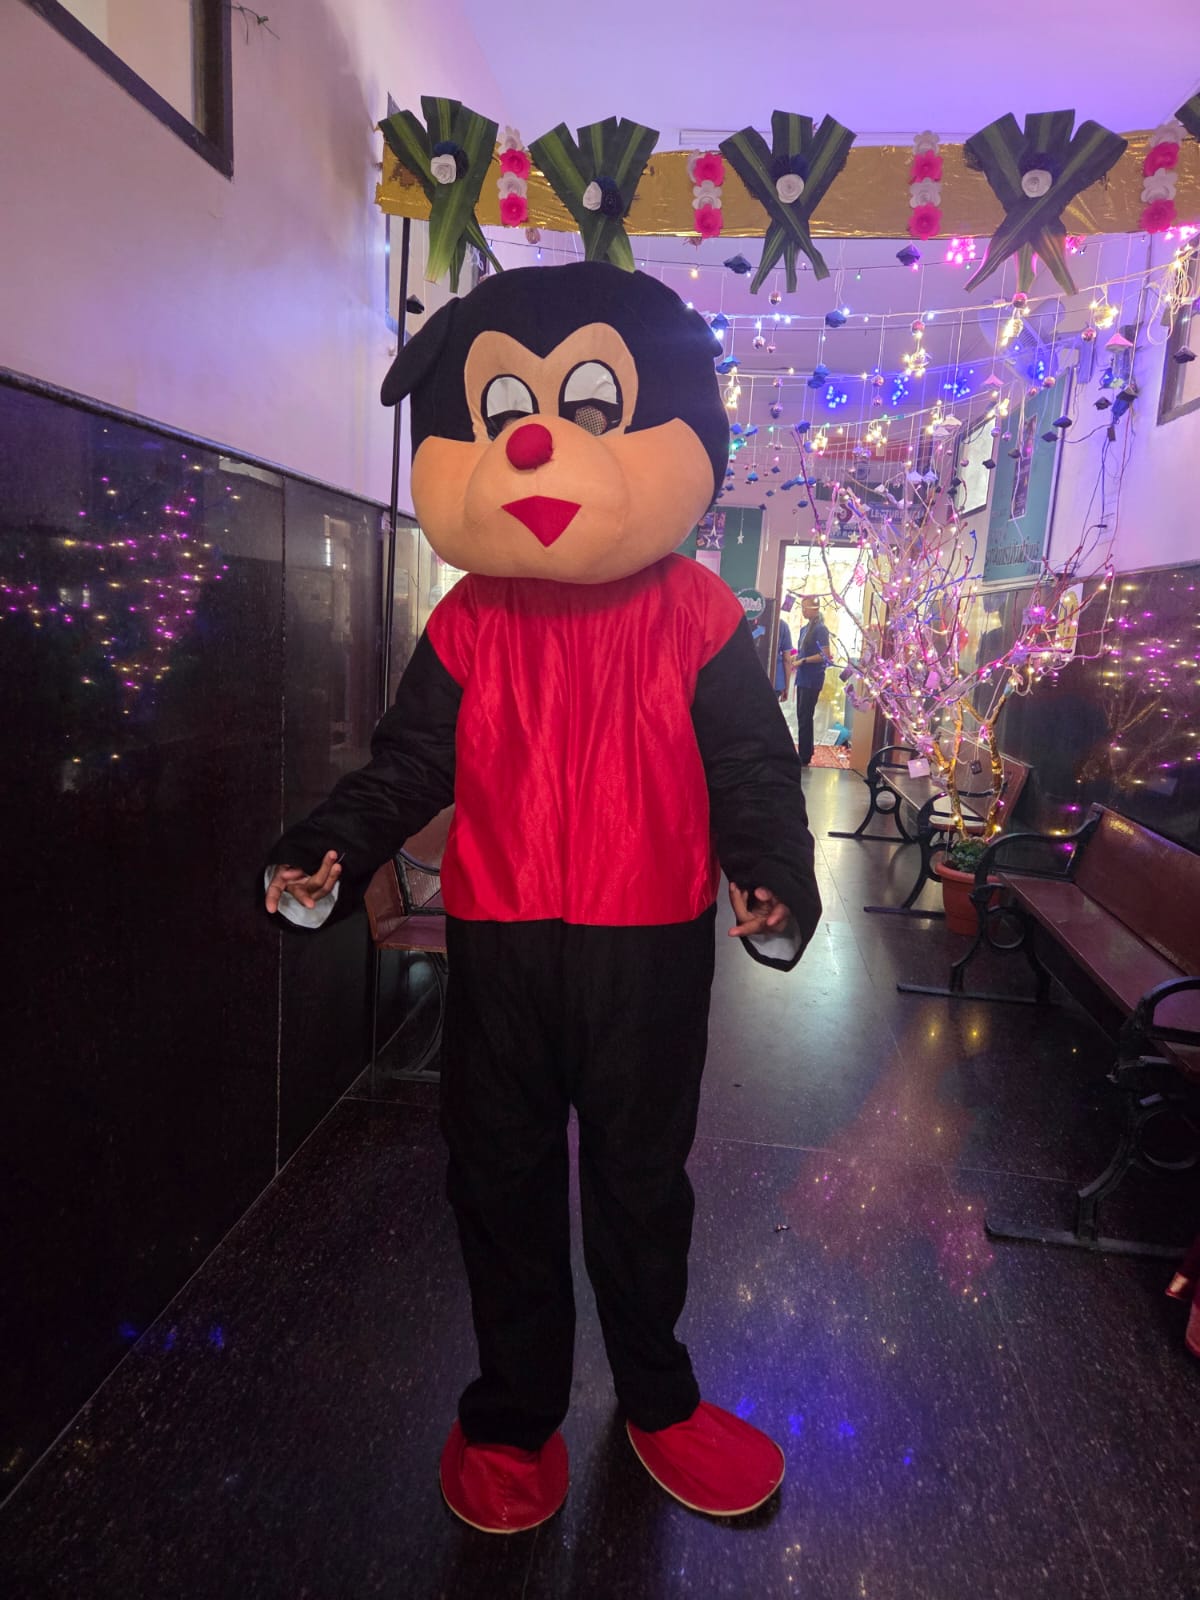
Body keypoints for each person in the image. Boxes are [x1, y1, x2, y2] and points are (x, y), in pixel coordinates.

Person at [261, 262, 822, 1534]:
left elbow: (751, 765)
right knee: (497, 1176)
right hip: (503, 944)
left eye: (588, 405)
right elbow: (409, 763)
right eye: (511, 408)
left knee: (642, 1181)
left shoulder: (697, 613)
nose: (537, 441)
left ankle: (658, 1400)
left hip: (649, 947)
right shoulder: (472, 619)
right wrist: (332, 846)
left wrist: (773, 874)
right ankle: (514, 1413)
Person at [793, 595, 831, 765]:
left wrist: (804, 660)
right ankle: (805, 750)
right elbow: (802, 652)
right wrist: (795, 658)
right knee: (801, 715)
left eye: (805, 607)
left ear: (814, 609)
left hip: (812, 678)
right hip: (802, 678)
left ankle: (804, 755)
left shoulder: (821, 629)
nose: (803, 611)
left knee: (805, 716)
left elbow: (825, 655)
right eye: (802, 607)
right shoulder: (804, 629)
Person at [774, 614, 795, 701]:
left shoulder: (747, 620)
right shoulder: (782, 625)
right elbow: (786, 660)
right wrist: (786, 688)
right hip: (775, 680)